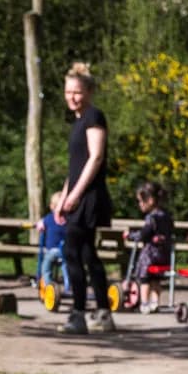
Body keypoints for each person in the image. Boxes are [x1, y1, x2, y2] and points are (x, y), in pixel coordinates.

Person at [53, 63, 115, 335]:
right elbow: (74, 167)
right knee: (87, 254)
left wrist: (76, 195)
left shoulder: (94, 117)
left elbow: (95, 157)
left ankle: (78, 313)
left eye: (77, 92)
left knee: (73, 252)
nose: (72, 97)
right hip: (77, 196)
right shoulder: (78, 121)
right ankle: (102, 312)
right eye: (68, 92)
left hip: (89, 198)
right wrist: (62, 199)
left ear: (88, 91)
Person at [128, 181, 176, 313]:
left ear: (149, 200)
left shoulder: (151, 218)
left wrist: (131, 235)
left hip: (151, 255)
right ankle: (155, 302)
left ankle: (144, 303)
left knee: (145, 279)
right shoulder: (167, 216)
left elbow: (145, 234)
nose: (139, 204)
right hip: (164, 254)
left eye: (140, 201)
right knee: (156, 279)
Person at [35, 190, 67, 295]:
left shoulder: (49, 218)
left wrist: (40, 226)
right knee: (67, 269)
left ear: (52, 207)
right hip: (66, 251)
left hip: (52, 251)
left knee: (46, 268)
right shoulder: (69, 219)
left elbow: (41, 224)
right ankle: (69, 288)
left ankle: (49, 286)